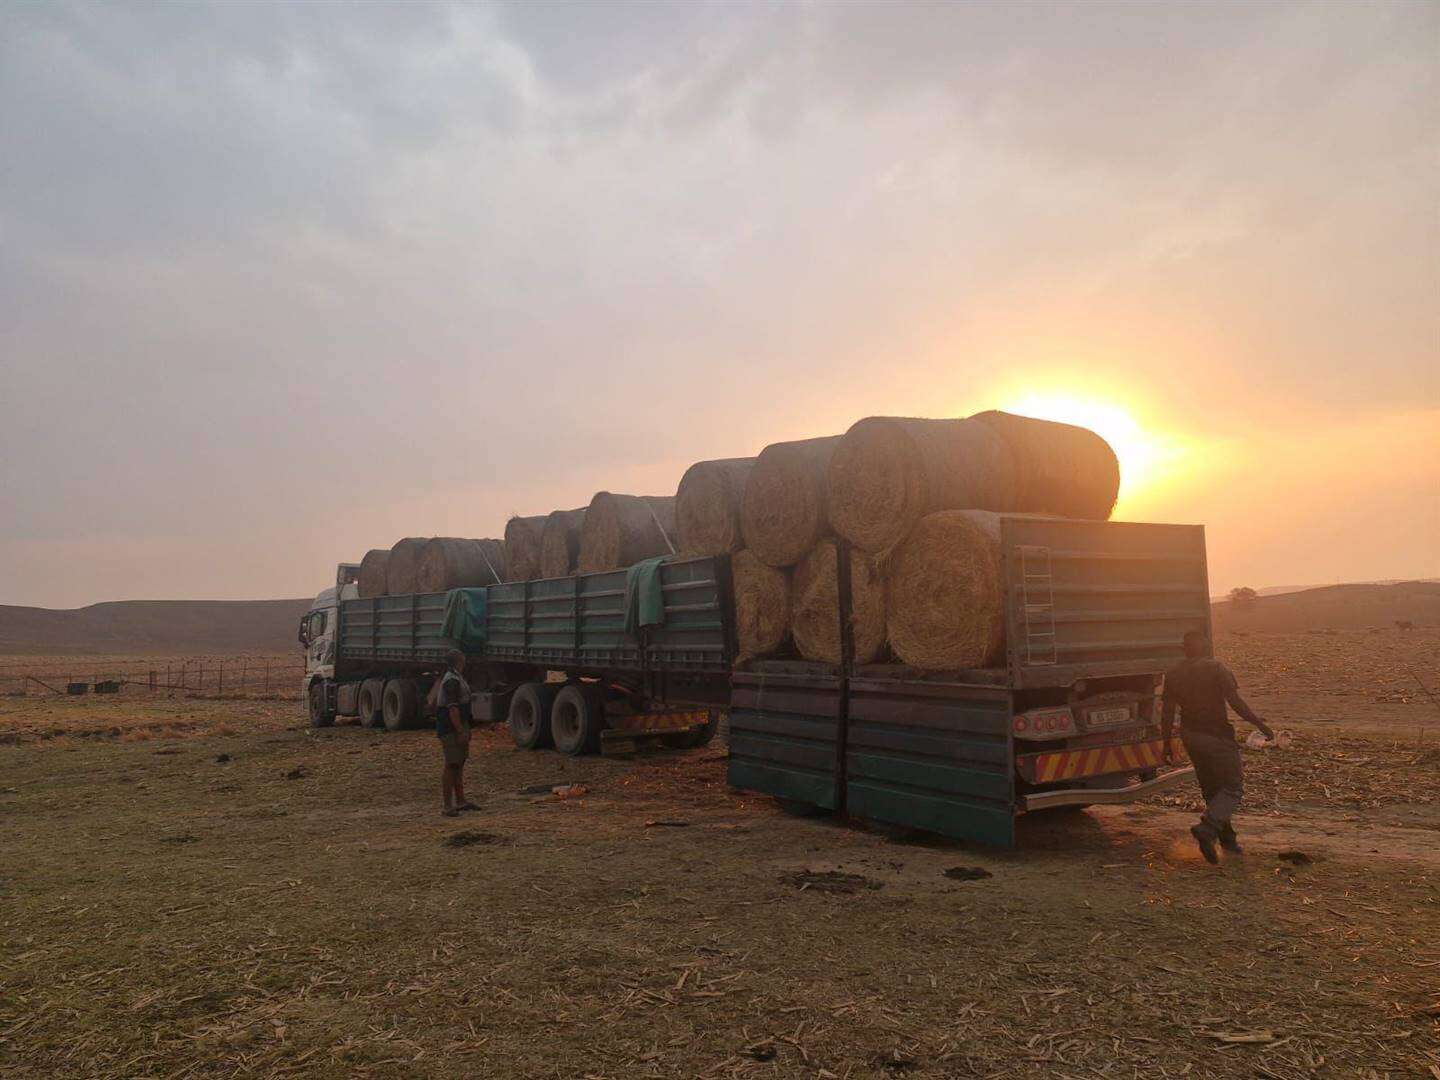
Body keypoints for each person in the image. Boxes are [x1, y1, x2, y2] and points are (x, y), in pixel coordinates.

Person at [1161, 631, 1274, 863]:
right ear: (1205, 647)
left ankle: (1228, 842)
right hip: (1217, 736)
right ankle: (1208, 829)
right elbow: (1235, 702)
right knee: (1232, 788)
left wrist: (1166, 744)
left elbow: (1167, 712)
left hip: (1191, 737)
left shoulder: (1173, 674)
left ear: (1184, 649)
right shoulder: (1216, 669)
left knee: (1213, 791)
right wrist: (1261, 725)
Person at [435, 650, 477, 817]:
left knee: (459, 763)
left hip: (458, 725)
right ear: (460, 660)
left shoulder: (456, 677)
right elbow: (452, 708)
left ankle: (460, 801)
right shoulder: (451, 680)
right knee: (451, 764)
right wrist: (460, 730)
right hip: (450, 728)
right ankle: (447, 806)